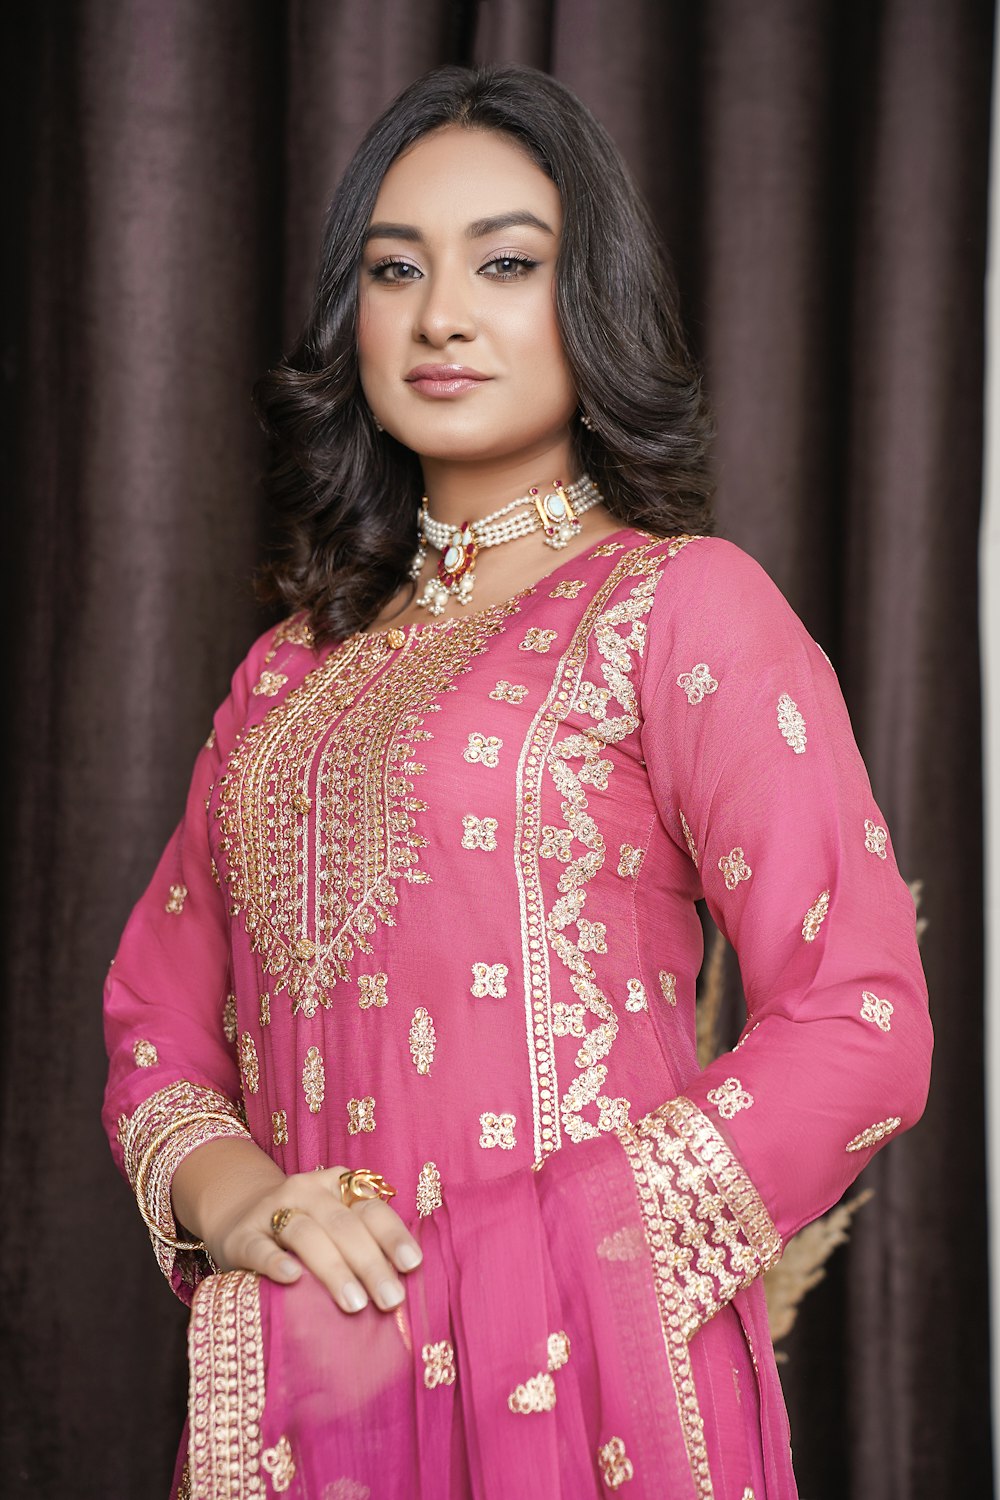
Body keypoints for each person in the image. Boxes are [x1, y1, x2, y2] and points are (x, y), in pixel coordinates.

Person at [102, 62, 932, 1500]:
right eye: (394, 270)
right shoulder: (284, 678)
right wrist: (237, 1205)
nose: (439, 316)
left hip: (589, 1400)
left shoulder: (681, 606)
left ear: (588, 297)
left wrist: (557, 1258)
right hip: (317, 1397)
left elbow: (864, 1020)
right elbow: (157, 1026)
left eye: (504, 264)